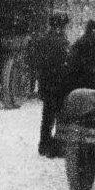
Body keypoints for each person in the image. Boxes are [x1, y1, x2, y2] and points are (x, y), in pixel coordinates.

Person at [30, 13, 71, 158]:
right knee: (60, 116)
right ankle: (55, 147)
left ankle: (43, 145)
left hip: (46, 84)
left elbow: (36, 61)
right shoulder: (62, 42)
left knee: (47, 117)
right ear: (61, 26)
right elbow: (65, 63)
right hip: (58, 85)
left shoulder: (43, 40)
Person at [65, 20, 95, 93]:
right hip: (81, 88)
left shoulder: (82, 43)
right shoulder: (88, 47)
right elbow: (89, 74)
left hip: (75, 87)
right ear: (93, 32)